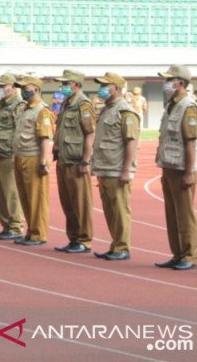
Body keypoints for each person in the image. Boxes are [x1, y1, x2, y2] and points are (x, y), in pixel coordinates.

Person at [154, 64, 197, 271]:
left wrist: (189, 172)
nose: (166, 84)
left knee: (184, 214)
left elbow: (190, 142)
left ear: (180, 83)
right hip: (169, 166)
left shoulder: (188, 107)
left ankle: (190, 255)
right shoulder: (171, 105)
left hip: (183, 168)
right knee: (172, 214)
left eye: (169, 80)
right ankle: (177, 253)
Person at [92, 72, 140, 261]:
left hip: (117, 168)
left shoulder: (126, 112)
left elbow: (131, 142)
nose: (101, 89)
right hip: (105, 167)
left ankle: (122, 246)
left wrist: (127, 170)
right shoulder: (107, 110)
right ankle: (115, 243)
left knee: (120, 209)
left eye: (106, 85)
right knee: (110, 210)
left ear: (117, 89)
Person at [52, 70, 95, 254]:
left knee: (81, 203)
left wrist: (86, 161)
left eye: (66, 83)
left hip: (77, 161)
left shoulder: (83, 105)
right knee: (68, 203)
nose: (62, 87)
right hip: (63, 160)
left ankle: (84, 240)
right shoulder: (66, 104)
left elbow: (90, 134)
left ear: (75, 85)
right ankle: (73, 238)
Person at [11, 75, 54, 246]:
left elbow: (45, 138)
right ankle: (30, 231)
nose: (22, 91)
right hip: (21, 155)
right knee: (25, 197)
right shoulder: (25, 109)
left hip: (34, 157)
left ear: (36, 89)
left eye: (25, 88)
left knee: (37, 198)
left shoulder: (42, 111)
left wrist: (43, 162)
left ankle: (39, 234)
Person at [0, 74, 25, 240]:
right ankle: (6, 225)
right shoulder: (2, 105)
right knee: (1, 195)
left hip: (9, 154)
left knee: (11, 193)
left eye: (3, 86)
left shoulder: (18, 106)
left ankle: (15, 226)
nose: (0, 90)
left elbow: (20, 130)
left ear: (13, 88)